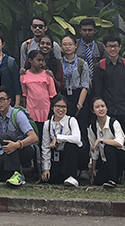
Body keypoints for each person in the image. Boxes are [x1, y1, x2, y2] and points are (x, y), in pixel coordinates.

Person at [0, 85, 39, 187]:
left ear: (9, 100)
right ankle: (15, 175)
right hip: (6, 152)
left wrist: (17, 145)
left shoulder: (17, 114)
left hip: (24, 150)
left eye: (2, 99)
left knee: (5, 137)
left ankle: (16, 173)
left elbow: (33, 137)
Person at [93, 34, 125, 151]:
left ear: (120, 47)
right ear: (105, 47)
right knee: (110, 136)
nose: (112, 49)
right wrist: (99, 107)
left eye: (115, 46)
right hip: (108, 108)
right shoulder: (100, 66)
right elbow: (97, 89)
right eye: (109, 46)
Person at [60, 34, 91, 175]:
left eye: (70, 44)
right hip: (63, 98)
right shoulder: (58, 63)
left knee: (81, 131)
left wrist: (80, 104)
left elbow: (85, 85)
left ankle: (83, 166)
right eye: (64, 44)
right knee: (64, 130)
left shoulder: (82, 64)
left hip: (79, 97)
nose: (67, 47)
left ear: (75, 46)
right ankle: (66, 164)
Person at [88, 97, 125, 189]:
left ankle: (112, 180)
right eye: (97, 107)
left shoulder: (114, 123)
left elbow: (120, 143)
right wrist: (93, 170)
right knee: (98, 181)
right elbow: (94, 150)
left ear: (107, 108)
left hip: (122, 155)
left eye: (103, 106)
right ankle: (115, 175)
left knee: (108, 147)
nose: (101, 109)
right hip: (106, 160)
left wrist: (101, 140)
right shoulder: (92, 127)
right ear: (93, 111)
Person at [40, 95, 82, 187]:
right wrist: (46, 168)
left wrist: (58, 138)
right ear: (52, 107)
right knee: (52, 179)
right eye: (58, 106)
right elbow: (45, 146)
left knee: (70, 145)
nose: (61, 109)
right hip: (56, 156)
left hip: (70, 155)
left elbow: (77, 138)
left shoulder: (71, 120)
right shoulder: (48, 124)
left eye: (63, 107)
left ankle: (72, 176)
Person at [21, 50, 57, 133]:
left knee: (44, 131)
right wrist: (25, 110)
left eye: (43, 60)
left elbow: (52, 94)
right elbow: (24, 94)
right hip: (31, 108)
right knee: (33, 131)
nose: (41, 63)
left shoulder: (47, 75)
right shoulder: (24, 75)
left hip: (45, 108)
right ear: (30, 60)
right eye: (38, 60)